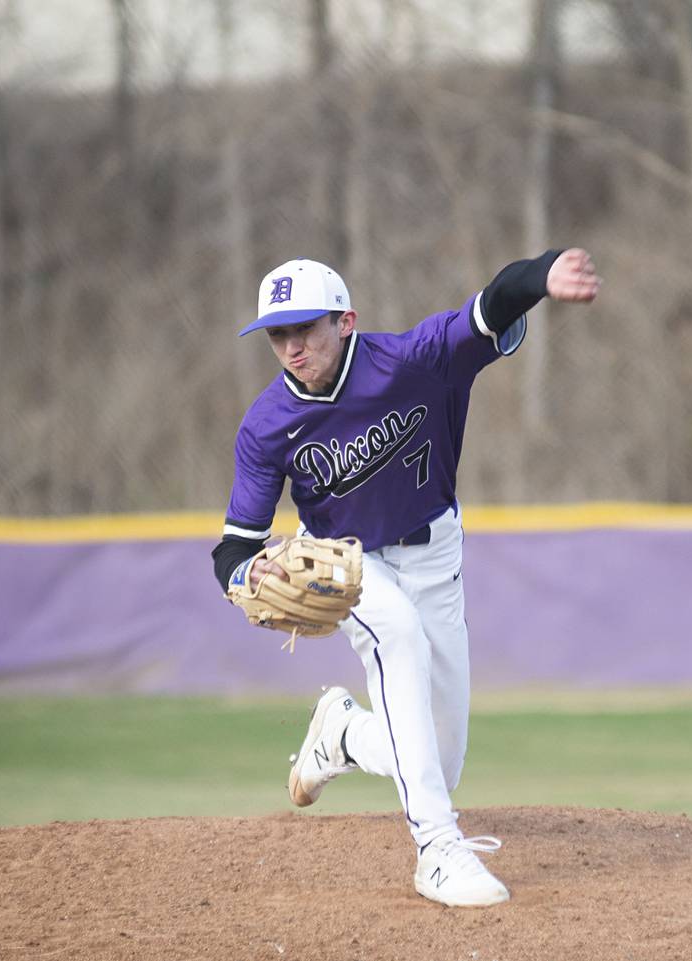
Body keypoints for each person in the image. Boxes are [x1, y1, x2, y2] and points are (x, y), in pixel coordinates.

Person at [210, 249, 600, 907]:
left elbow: (491, 305)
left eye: (305, 327)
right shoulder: (266, 425)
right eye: (278, 333)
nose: (292, 344)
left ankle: (341, 731)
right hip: (347, 560)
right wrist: (254, 571)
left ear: (346, 320)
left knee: (439, 760)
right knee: (396, 633)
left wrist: (543, 275)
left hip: (435, 552)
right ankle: (437, 850)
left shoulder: (413, 361)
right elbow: (234, 550)